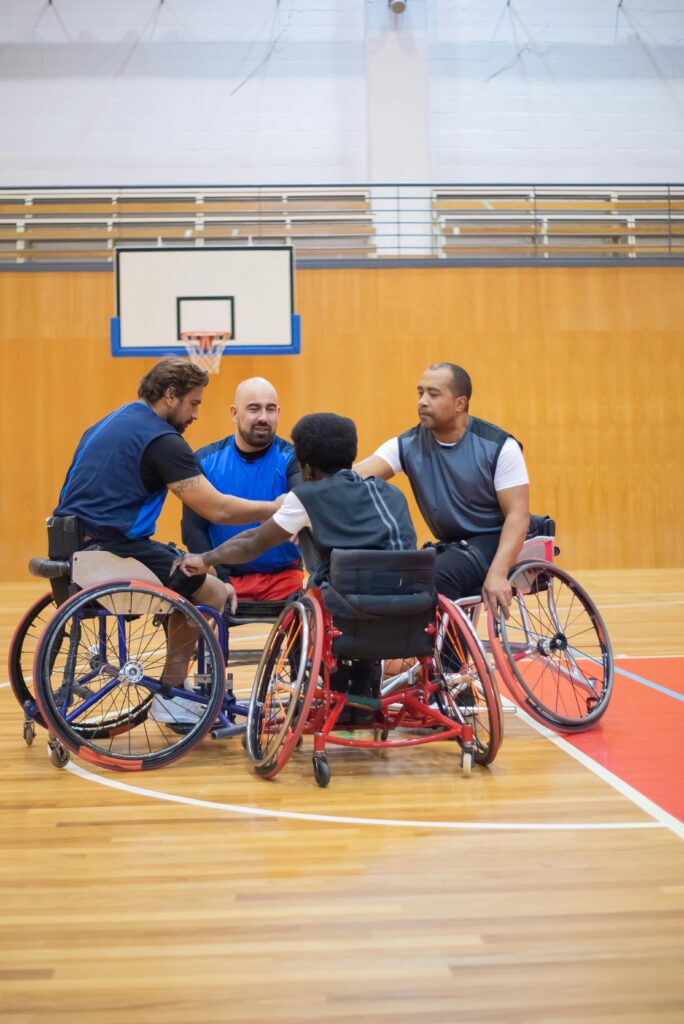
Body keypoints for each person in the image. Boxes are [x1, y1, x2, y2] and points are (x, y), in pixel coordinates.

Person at [53, 358, 281, 687]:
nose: (196, 414)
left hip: (70, 544)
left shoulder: (108, 422)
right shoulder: (162, 440)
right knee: (214, 591)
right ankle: (171, 694)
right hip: (112, 550)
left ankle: (180, 665)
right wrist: (273, 508)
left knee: (202, 571)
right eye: (194, 403)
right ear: (171, 395)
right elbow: (217, 509)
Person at [173, 412, 417, 720]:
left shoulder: (307, 497)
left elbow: (253, 542)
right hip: (408, 610)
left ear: (306, 467)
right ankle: (361, 691)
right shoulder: (392, 493)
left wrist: (206, 559)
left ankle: (340, 692)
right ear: (351, 455)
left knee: (324, 591)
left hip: (347, 610)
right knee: (358, 580)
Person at [354, 362, 530, 618]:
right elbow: (355, 476)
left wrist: (498, 572)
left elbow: (518, 515)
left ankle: (447, 646)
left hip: (493, 539)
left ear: (460, 403)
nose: (422, 402)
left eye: (433, 394)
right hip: (451, 545)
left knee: (436, 575)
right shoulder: (408, 443)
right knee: (396, 574)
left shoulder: (499, 446)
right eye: (420, 393)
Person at [181, 376, 303, 606]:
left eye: (270, 409)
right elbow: (193, 528)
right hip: (223, 577)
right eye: (254, 409)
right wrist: (221, 579)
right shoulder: (205, 461)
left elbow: (303, 504)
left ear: (278, 413)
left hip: (284, 580)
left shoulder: (294, 459)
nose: (263, 417)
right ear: (235, 413)